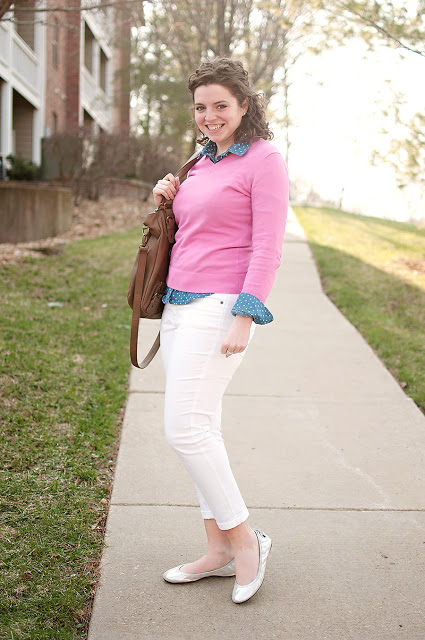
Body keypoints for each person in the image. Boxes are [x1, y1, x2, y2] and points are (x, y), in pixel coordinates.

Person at [152, 57, 289, 604]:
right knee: (200, 427)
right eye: (201, 108)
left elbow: (268, 245)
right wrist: (165, 199)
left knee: (183, 429)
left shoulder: (265, 159)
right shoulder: (198, 162)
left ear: (244, 106)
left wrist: (245, 314)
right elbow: (188, 231)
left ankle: (245, 540)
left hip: (222, 306)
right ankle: (216, 550)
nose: (209, 116)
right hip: (179, 305)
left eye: (220, 106)